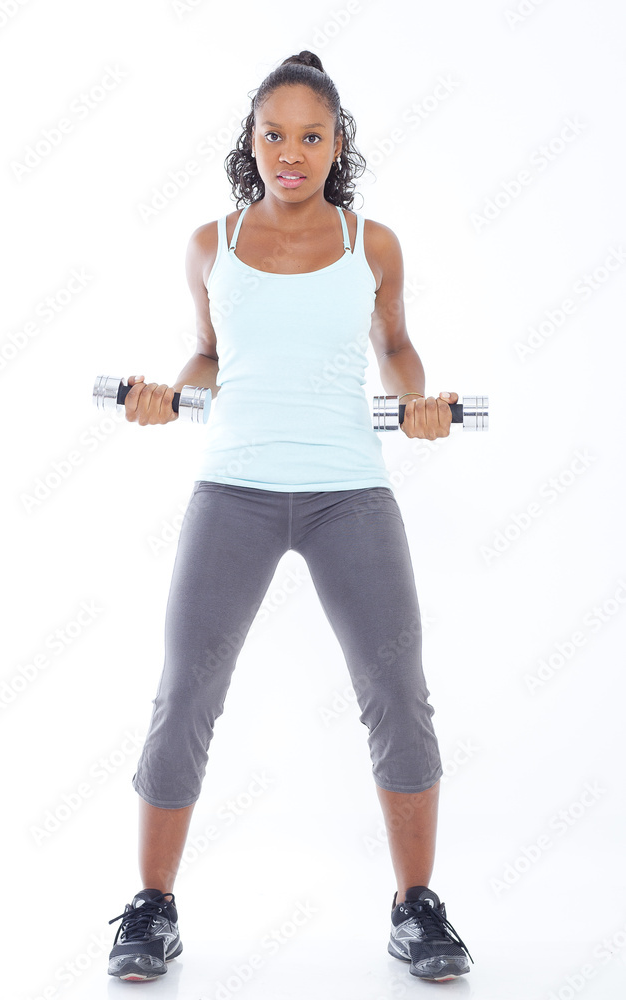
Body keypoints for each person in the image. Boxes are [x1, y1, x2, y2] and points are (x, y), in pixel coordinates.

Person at [106, 50, 474, 984]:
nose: (291, 153)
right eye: (274, 135)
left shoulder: (371, 243)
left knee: (398, 694)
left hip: (350, 490)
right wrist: (165, 394)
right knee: (186, 688)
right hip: (232, 488)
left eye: (311, 136)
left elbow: (395, 348)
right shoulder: (209, 243)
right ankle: (151, 908)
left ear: (337, 143)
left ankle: (415, 907)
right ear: (252, 142)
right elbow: (205, 358)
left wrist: (419, 405)